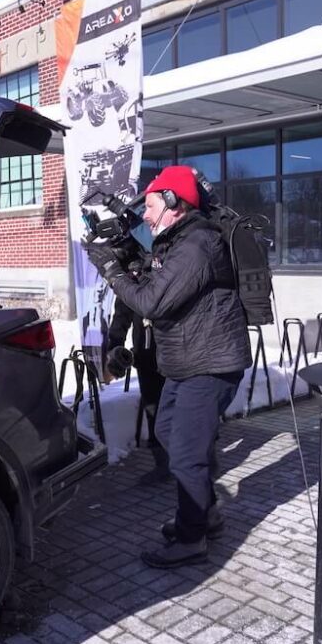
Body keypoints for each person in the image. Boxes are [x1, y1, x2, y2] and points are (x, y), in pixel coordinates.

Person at [82, 165, 251, 569]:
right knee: (167, 430)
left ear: (174, 203)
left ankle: (192, 539)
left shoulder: (196, 245)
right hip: (188, 363)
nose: (144, 214)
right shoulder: (175, 243)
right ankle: (205, 513)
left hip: (209, 364)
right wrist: (126, 261)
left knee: (186, 455)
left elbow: (151, 302)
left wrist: (111, 269)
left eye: (151, 205)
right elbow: (150, 283)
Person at [104, 256, 170, 486]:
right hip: (146, 355)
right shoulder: (133, 271)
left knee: (185, 407)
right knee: (153, 408)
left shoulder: (174, 258)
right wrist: (115, 346)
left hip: (178, 353)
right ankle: (163, 464)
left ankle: (198, 461)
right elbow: (122, 313)